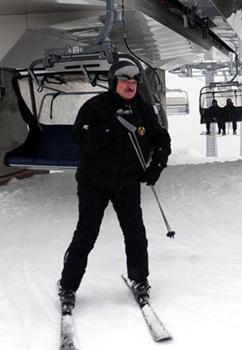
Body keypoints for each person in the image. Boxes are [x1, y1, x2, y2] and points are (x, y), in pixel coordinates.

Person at [58, 61, 171, 311]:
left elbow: (161, 140)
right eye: (124, 81)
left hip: (127, 182)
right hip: (94, 182)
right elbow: (78, 138)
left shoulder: (143, 110)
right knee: (87, 233)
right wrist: (110, 128)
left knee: (135, 233)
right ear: (113, 82)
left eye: (134, 82)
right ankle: (68, 285)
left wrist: (156, 167)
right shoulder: (95, 107)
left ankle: (140, 280)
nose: (130, 86)